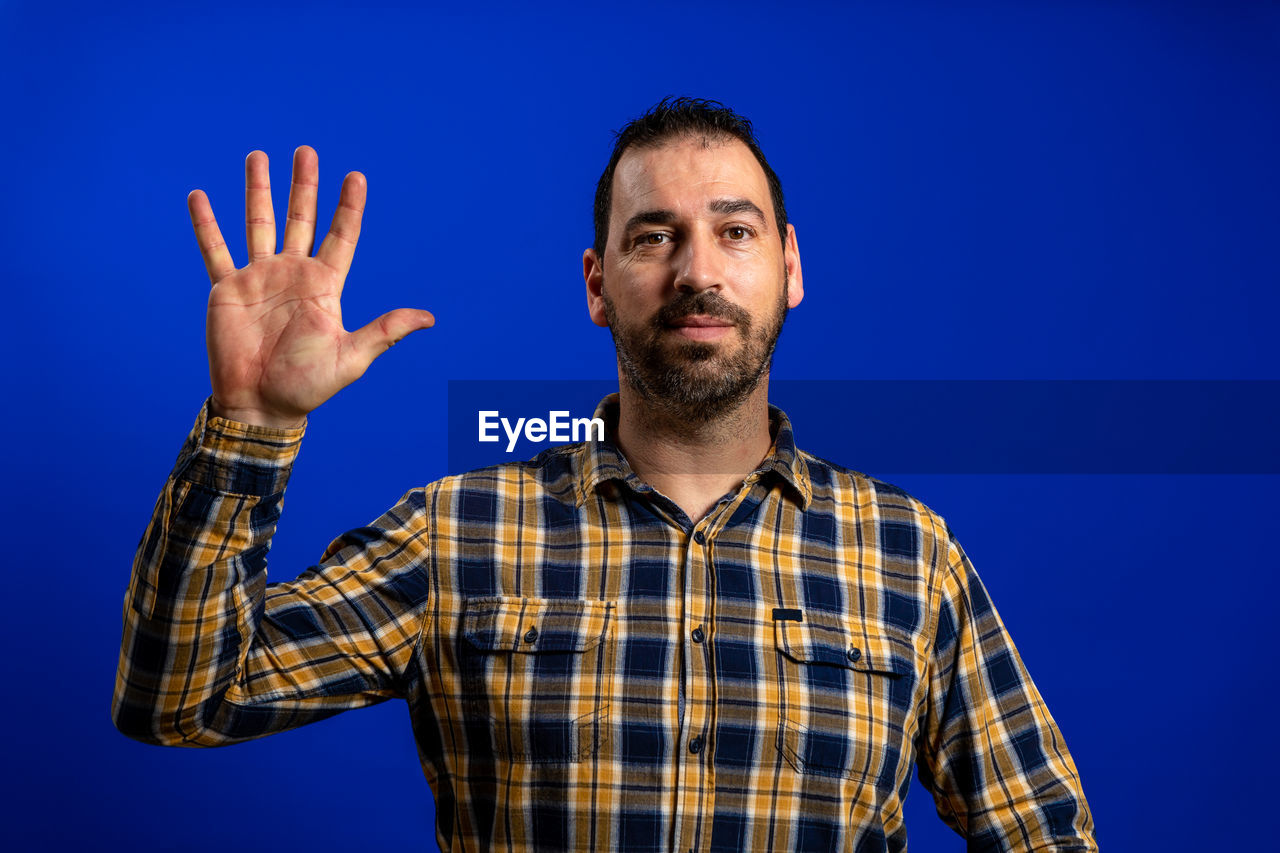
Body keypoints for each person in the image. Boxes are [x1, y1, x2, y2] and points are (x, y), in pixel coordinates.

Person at [113, 97, 1096, 851]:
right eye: (654, 235)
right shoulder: (456, 535)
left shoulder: (904, 552)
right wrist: (252, 424)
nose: (695, 270)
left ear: (787, 268)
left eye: (734, 231)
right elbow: (181, 699)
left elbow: (1042, 833)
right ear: (596, 284)